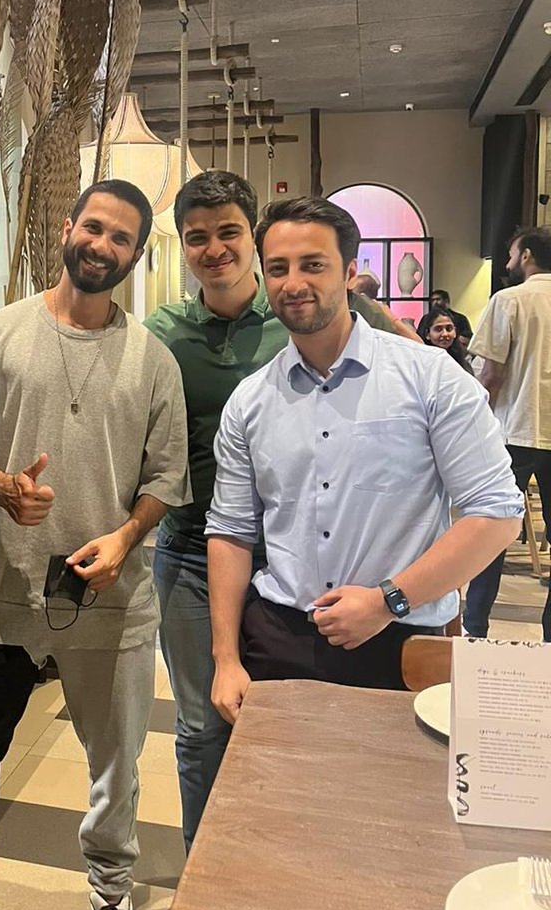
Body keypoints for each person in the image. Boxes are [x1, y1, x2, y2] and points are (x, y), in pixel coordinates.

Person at [0, 179, 190, 910]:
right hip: (0, 594)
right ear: (68, 227)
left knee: (117, 765)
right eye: (94, 227)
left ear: (136, 256)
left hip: (114, 597)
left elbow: (165, 478)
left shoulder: (153, 359)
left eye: (121, 239)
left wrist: (126, 537)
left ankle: (111, 902)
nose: (102, 246)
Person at [206, 196, 523, 725]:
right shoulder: (250, 400)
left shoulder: (430, 378)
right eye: (278, 268)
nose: (294, 282)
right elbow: (232, 531)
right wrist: (225, 659)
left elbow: (497, 514)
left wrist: (387, 602)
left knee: (394, 801)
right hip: (280, 635)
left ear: (350, 272)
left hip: (403, 637)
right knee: (279, 799)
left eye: (313, 264)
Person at [143, 169, 288, 850]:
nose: (214, 248)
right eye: (197, 237)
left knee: (281, 718)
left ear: (251, 236)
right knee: (202, 724)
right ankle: (207, 866)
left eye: (228, 232)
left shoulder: (295, 316)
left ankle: (269, 855)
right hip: (190, 553)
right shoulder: (163, 331)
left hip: (290, 557)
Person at [464, 226, 551, 640]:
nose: (511, 260)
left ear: (528, 255)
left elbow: (492, 374)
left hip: (513, 431)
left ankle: (476, 630)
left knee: (490, 535)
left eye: (514, 253)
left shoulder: (510, 300)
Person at [418, 308, 473, 372]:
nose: (445, 334)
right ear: (427, 334)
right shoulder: (420, 363)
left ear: (455, 332)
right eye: (438, 329)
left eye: (449, 328)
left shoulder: (463, 364)